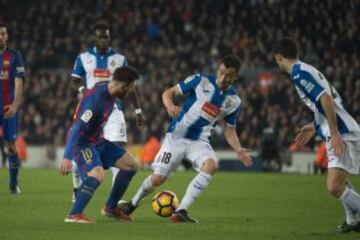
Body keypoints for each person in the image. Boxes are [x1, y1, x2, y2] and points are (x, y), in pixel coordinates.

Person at [120, 55, 252, 223]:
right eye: (221, 72)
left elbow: (230, 130)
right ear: (217, 70)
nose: (223, 78)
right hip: (176, 136)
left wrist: (239, 150)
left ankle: (181, 211)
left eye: (229, 75)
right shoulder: (200, 80)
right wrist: (169, 104)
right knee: (158, 178)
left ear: (236, 77)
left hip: (200, 141)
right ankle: (132, 204)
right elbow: (169, 92)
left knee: (211, 165)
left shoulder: (234, 101)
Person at [274, 37, 360, 233]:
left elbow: (325, 98)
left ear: (278, 57)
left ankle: (353, 219)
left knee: (334, 186)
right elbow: (327, 101)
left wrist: (335, 131)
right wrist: (315, 125)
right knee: (340, 181)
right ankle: (352, 220)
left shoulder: (298, 74)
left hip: (342, 133)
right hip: (338, 130)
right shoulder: (306, 69)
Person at [70, 21, 145, 202]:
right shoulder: (83, 57)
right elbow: (75, 79)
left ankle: (115, 198)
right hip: (91, 109)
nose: (104, 40)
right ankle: (75, 188)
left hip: (114, 110)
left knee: (118, 149)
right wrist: (83, 91)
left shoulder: (119, 59)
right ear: (94, 38)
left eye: (107, 37)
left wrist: (137, 110)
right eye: (100, 37)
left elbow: (130, 86)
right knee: (80, 145)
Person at [59, 66, 140, 224]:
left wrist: (138, 111)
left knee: (131, 165)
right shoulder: (96, 101)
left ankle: (110, 208)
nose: (130, 91)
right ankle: (74, 215)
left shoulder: (109, 89)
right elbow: (77, 128)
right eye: (129, 88)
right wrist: (66, 157)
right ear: (122, 85)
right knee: (97, 175)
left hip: (97, 140)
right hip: (82, 143)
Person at [0, 23, 25, 194]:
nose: (0, 37)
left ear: (7, 36)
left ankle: (13, 184)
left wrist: (15, 105)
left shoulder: (15, 56)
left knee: (11, 146)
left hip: (7, 109)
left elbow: (18, 82)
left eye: (2, 33)